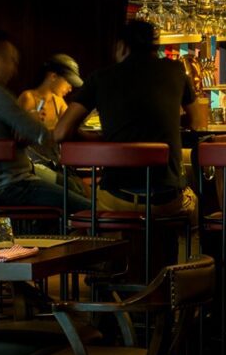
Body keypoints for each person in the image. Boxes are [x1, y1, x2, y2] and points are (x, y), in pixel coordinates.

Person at [58, 19, 199, 242]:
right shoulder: (176, 70)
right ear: (156, 45)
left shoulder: (101, 77)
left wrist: (107, 140)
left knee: (91, 200)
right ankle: (182, 268)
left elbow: (60, 132)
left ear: (122, 46)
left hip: (117, 198)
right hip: (164, 201)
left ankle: (110, 267)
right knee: (192, 200)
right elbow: (198, 122)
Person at [0, 30, 88, 211]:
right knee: (88, 210)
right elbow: (40, 133)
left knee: (67, 190)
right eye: (11, 61)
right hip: (10, 186)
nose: (14, 69)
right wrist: (32, 119)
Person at [17, 53, 82, 130]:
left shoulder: (59, 102)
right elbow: (19, 133)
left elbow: (71, 126)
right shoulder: (28, 98)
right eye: (68, 82)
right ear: (53, 76)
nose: (70, 89)